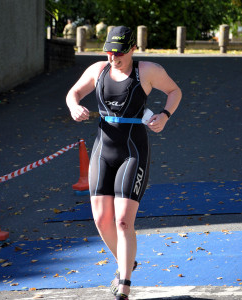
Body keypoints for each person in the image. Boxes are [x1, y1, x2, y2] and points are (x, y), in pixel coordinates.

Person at [66, 26, 182, 300]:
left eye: (119, 53)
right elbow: (74, 93)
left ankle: (124, 285)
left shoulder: (148, 70)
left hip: (133, 150)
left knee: (122, 221)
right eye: (108, 51)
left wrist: (165, 115)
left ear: (131, 49)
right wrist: (74, 107)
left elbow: (175, 91)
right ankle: (126, 261)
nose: (113, 57)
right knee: (101, 219)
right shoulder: (98, 70)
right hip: (102, 149)